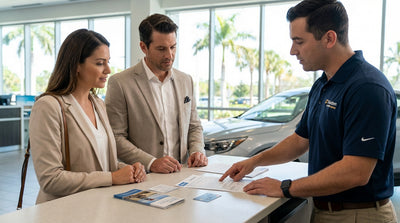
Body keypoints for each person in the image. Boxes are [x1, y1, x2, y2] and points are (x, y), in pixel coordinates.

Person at [220, 0, 398, 222]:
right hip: (324, 209)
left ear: (329, 38)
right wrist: (254, 161)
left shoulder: (367, 88)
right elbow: (300, 140)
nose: (292, 51)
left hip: (357, 214)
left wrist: (285, 187)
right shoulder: (323, 84)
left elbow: (357, 171)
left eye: (299, 41)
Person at [29, 29, 146, 204]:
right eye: (100, 63)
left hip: (96, 207)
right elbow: (50, 179)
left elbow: (102, 165)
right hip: (62, 211)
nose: (108, 70)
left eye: (108, 62)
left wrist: (128, 170)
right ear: (76, 64)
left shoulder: (98, 103)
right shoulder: (48, 107)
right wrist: (113, 177)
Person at [105, 13, 207, 174]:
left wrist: (197, 151)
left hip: (183, 176)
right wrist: (151, 162)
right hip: (142, 177)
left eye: (173, 47)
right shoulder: (120, 83)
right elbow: (115, 137)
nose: (169, 55)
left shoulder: (185, 80)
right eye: (161, 49)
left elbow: (194, 126)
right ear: (143, 47)